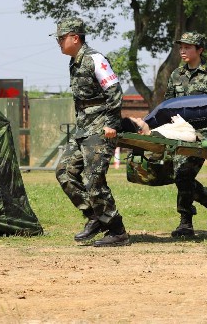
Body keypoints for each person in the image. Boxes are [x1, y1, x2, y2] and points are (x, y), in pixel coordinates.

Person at [53, 17, 130, 247]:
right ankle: (95, 217)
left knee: (94, 178)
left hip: (101, 127)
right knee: (64, 171)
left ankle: (117, 231)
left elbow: (115, 92)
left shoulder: (95, 59)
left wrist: (112, 124)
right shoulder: (74, 62)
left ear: (75, 38)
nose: (58, 42)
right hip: (83, 128)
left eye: (61, 37)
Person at [163, 32, 207, 238]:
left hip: (203, 135)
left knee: (183, 174)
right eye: (181, 47)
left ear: (200, 50)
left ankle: (185, 222)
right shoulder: (176, 75)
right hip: (179, 133)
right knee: (180, 176)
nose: (183, 50)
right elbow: (167, 106)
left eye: (188, 47)